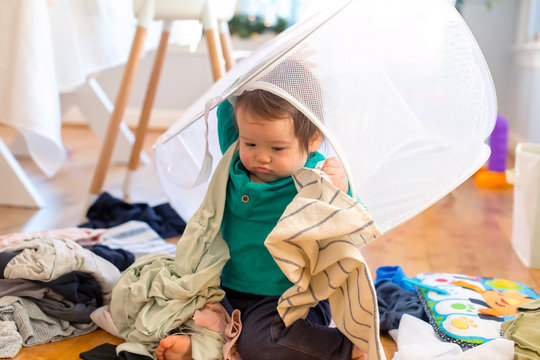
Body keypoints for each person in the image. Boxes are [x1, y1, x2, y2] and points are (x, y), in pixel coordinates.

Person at [156, 61, 366, 360]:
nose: (261, 157)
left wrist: (342, 189)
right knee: (172, 308)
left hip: (288, 299)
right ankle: (201, 345)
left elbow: (355, 223)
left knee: (263, 342)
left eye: (278, 149)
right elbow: (231, 98)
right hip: (225, 286)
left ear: (313, 140)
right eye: (250, 143)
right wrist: (267, 64)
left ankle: (345, 348)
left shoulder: (315, 179)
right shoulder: (236, 158)